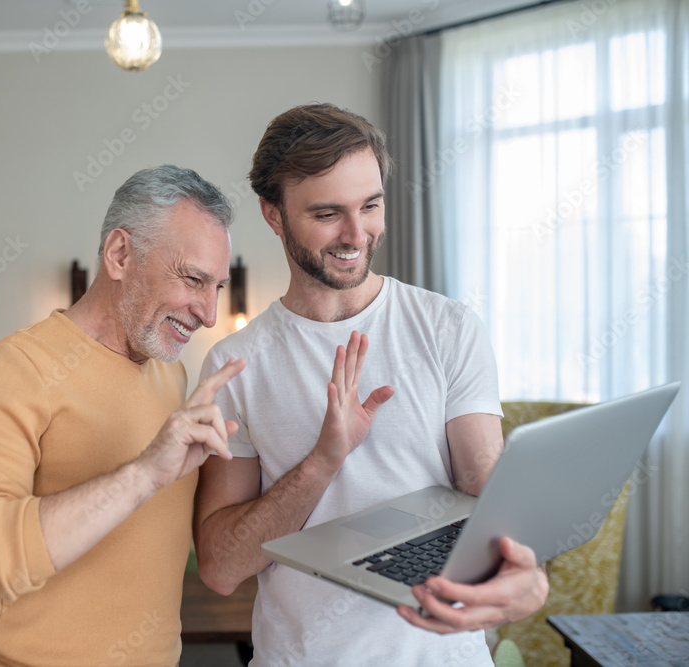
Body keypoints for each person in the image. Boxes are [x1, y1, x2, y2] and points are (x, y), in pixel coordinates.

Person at [193, 104, 549, 666]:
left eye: (371, 206)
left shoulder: (448, 328)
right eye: (328, 213)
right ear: (273, 214)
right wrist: (322, 462)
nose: (357, 234)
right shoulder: (236, 363)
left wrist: (530, 578)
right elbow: (220, 567)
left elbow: (487, 492)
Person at [0, 164, 246, 667]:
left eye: (218, 287)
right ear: (119, 254)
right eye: (193, 279)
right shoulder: (16, 368)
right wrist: (142, 474)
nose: (208, 313)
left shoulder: (173, 376)